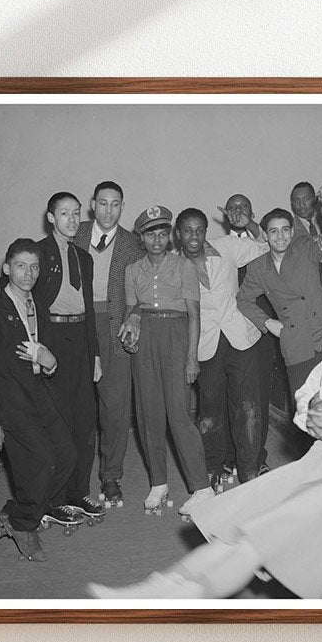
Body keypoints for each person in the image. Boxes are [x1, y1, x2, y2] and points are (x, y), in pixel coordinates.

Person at [87, 280, 322, 600]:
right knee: (235, 533)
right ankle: (156, 588)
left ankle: (177, 597)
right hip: (310, 466)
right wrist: (316, 411)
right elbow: (305, 396)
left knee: (252, 544)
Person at [0, 239, 80, 561]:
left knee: (68, 455)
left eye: (34, 267)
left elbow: (46, 361)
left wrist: (51, 361)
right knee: (44, 460)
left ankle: (17, 510)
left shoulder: (39, 310)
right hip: (9, 403)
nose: (28, 273)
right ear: (6, 268)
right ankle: (23, 522)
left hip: (40, 394)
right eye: (21, 266)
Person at [119, 206, 213, 517]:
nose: (157, 240)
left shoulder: (184, 266)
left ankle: (202, 487)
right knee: (149, 415)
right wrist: (131, 324)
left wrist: (191, 358)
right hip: (145, 342)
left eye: (162, 233)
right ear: (141, 238)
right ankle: (158, 483)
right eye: (150, 234)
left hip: (176, 339)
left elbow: (194, 316)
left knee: (179, 416)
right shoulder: (132, 270)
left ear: (169, 236)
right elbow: (132, 309)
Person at [173, 206, 267, 489]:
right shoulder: (173, 266)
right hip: (204, 344)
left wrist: (249, 221)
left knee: (247, 405)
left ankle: (249, 468)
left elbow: (264, 246)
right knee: (210, 409)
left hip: (240, 337)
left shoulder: (226, 247)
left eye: (199, 230)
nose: (194, 237)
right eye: (187, 231)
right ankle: (212, 469)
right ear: (178, 234)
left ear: (206, 232)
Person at [34, 191, 107, 524]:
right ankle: (55, 497)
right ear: (51, 217)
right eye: (65, 213)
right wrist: (37, 350)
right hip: (53, 341)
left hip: (80, 339)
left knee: (85, 420)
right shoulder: (37, 253)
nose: (73, 220)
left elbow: (89, 309)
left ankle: (79, 492)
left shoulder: (84, 257)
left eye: (77, 213)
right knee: (58, 422)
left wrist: (94, 354)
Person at [72, 180, 145, 508]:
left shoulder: (133, 244)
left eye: (115, 204)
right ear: (92, 204)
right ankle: (72, 475)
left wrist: (136, 315)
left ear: (122, 207)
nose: (108, 210)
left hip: (114, 329)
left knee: (115, 407)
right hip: (77, 326)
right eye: (103, 203)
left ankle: (111, 475)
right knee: (76, 403)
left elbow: (144, 289)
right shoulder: (76, 233)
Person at [237, 205, 322, 396]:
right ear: (265, 236)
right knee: (304, 407)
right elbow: (243, 300)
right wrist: (268, 323)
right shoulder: (258, 268)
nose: (280, 236)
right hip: (296, 344)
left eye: (285, 230)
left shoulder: (305, 248)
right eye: (273, 231)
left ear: (292, 232)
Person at [222, 193, 276, 476]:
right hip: (228, 331)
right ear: (224, 214)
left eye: (244, 207)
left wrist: (253, 226)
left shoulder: (265, 243)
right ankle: (232, 455)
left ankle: (258, 456)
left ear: (253, 212)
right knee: (231, 396)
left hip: (261, 328)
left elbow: (272, 247)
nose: (238, 211)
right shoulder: (219, 247)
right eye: (232, 208)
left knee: (259, 396)